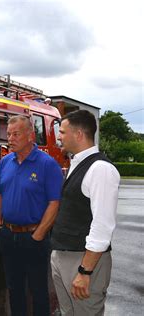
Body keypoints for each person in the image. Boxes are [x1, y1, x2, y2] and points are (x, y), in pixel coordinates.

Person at [51, 110, 120, 316]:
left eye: (62, 132)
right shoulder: (77, 163)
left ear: (79, 134)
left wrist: (85, 271)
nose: (58, 136)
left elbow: (102, 225)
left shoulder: (101, 169)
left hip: (82, 261)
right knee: (67, 312)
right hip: (64, 255)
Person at [0, 115, 63, 316]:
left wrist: (39, 234)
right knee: (14, 290)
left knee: (38, 291)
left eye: (16, 134)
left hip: (34, 238)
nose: (10, 139)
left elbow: (54, 203)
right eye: (8, 134)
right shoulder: (6, 162)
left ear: (30, 135)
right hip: (8, 235)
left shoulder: (47, 164)